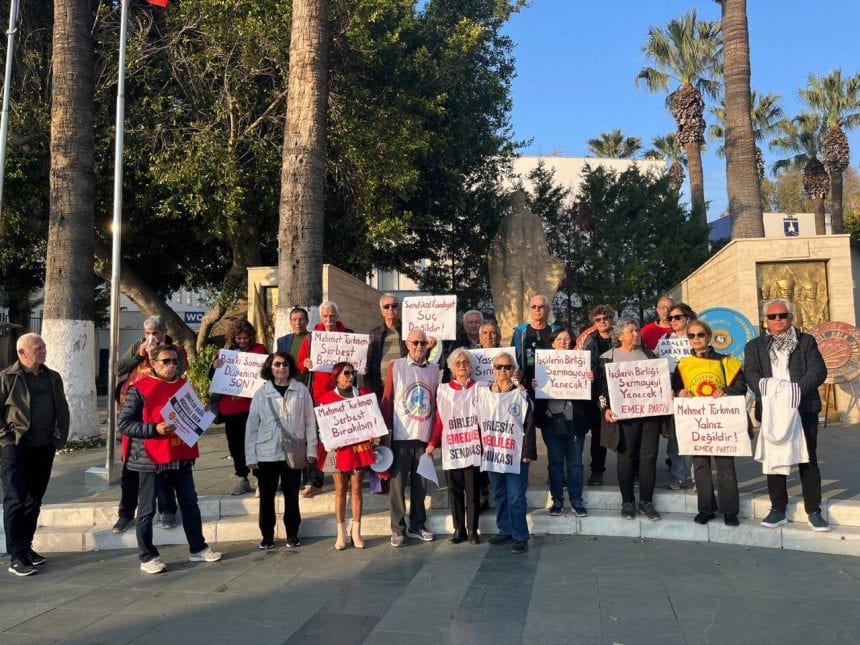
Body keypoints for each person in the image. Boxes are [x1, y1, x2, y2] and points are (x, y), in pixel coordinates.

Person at [118, 344, 222, 574]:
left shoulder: (184, 386)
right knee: (146, 510)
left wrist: (201, 416)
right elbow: (124, 424)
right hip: (149, 458)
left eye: (175, 361)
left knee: (189, 504)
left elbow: (191, 421)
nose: (172, 366)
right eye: (166, 361)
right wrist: (155, 428)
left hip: (180, 456)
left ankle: (198, 548)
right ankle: (147, 557)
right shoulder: (140, 389)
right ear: (153, 363)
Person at [744, 299, 829, 532]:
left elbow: (818, 370)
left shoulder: (806, 342)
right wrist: (768, 388)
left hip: (802, 408)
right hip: (772, 410)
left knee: (808, 459)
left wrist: (796, 390)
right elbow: (750, 373)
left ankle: (814, 511)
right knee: (775, 460)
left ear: (790, 317)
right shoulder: (755, 346)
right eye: (772, 317)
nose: (778, 320)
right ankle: (778, 509)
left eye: (782, 315)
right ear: (766, 320)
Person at [0, 334, 69, 577]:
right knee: (16, 500)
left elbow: (62, 407)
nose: (43, 350)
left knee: (33, 500)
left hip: (44, 447)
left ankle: (26, 548)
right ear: (22, 353)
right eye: (38, 348)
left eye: (44, 347)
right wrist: (6, 440)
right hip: (16, 448)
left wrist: (59, 438)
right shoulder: (7, 378)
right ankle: (16, 556)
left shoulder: (52, 377)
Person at [672, 320, 747, 526]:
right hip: (697, 422)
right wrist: (680, 392)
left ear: (709, 336)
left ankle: (730, 510)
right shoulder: (683, 364)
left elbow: (741, 386)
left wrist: (727, 391)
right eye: (691, 336)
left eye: (700, 335)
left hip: (721, 422)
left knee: (725, 466)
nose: (696, 339)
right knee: (701, 466)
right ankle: (705, 508)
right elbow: (675, 388)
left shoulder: (726, 361)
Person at [112, 314, 180, 533]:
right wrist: (139, 356)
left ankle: (167, 510)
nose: (151, 338)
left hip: (160, 416)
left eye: (156, 333)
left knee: (164, 468)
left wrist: (161, 360)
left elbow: (177, 374)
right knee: (129, 470)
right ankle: (125, 513)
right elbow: (117, 369)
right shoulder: (137, 347)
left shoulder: (173, 351)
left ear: (164, 332)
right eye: (148, 334)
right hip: (135, 412)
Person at [245, 351, 317, 549]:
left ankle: (292, 533)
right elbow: (251, 426)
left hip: (292, 452)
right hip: (266, 452)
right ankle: (267, 535)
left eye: (285, 364)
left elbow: (310, 421)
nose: (281, 368)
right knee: (266, 497)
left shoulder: (300, 390)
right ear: (270, 367)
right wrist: (250, 456)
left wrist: (312, 449)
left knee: (291, 495)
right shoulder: (261, 393)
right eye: (277, 364)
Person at [598, 319, 662, 521]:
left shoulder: (649, 354)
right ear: (619, 335)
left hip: (649, 415)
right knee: (626, 458)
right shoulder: (607, 358)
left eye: (637, 330)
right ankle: (627, 502)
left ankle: (646, 502)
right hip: (624, 418)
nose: (636, 334)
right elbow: (600, 390)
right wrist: (604, 408)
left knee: (648, 458)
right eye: (631, 331)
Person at [382, 329, 438, 546]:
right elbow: (387, 398)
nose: (419, 347)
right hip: (401, 434)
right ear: (407, 343)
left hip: (423, 436)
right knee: (397, 485)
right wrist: (386, 432)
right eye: (415, 342)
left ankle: (417, 524)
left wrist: (434, 438)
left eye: (423, 343)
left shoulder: (434, 369)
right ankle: (397, 529)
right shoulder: (397, 366)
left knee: (420, 484)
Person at [478, 351, 536, 554]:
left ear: (514, 370)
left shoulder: (520, 395)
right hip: (493, 453)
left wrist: (527, 451)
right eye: (499, 367)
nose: (503, 371)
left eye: (507, 367)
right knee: (500, 494)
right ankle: (505, 529)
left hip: (515, 454)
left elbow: (529, 425)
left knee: (516, 497)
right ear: (492, 369)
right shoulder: (484, 394)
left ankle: (520, 535)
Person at [427, 349, 484, 545]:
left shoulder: (481, 388)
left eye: (465, 362)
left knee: (473, 490)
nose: (462, 366)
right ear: (451, 368)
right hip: (452, 447)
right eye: (458, 363)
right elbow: (439, 419)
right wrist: (433, 442)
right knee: (454, 490)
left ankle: (473, 529)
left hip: (473, 447)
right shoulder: (443, 390)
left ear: (471, 366)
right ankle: (459, 528)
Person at [297, 301, 353, 496]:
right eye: (325, 316)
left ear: (337, 316)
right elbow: (301, 366)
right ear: (320, 317)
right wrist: (305, 362)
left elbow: (358, 363)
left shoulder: (349, 335)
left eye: (332, 316)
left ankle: (346, 476)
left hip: (344, 396)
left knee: (345, 437)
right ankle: (314, 480)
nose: (329, 320)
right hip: (319, 396)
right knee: (316, 438)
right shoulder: (312, 339)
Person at [534, 328, 592, 518]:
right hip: (552, 420)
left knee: (575, 463)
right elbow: (532, 391)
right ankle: (557, 499)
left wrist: (590, 379)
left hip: (576, 420)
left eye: (567, 339)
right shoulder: (543, 364)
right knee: (555, 462)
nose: (563, 342)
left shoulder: (581, 363)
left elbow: (588, 396)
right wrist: (534, 383)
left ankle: (576, 500)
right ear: (552, 342)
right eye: (559, 339)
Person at [317, 362, 374, 550]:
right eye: (346, 373)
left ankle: (356, 532)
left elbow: (372, 419)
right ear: (336, 376)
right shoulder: (326, 399)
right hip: (338, 449)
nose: (350, 376)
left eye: (352, 373)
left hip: (358, 448)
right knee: (341, 490)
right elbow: (323, 428)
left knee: (357, 490)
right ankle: (341, 533)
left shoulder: (363, 395)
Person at [212, 320, 267, 496]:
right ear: (233, 337)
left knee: (256, 444)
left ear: (251, 336)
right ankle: (242, 478)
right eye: (239, 338)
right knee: (235, 445)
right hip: (231, 408)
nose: (243, 341)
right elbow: (213, 378)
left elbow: (265, 376)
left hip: (253, 407)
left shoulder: (260, 350)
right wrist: (214, 366)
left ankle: (260, 478)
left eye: (246, 337)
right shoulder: (225, 354)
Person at [662, 303, 696, 490]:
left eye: (677, 317)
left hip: (695, 394)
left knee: (693, 435)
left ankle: (692, 476)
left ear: (688, 318)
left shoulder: (696, 337)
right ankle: (677, 476)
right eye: (670, 318)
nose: (673, 321)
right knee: (674, 438)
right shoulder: (665, 339)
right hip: (673, 395)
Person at [580, 305, 615, 486]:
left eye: (605, 318)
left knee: (628, 432)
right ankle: (597, 471)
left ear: (611, 319)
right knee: (598, 434)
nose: (602, 322)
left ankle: (633, 471)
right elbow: (581, 365)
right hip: (596, 393)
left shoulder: (620, 338)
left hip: (619, 391)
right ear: (593, 323)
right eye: (598, 320)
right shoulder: (589, 341)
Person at [365, 293, 407, 400]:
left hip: (405, 386)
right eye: (386, 306)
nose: (390, 309)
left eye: (394, 305)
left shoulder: (408, 332)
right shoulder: (374, 334)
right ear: (381, 311)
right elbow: (367, 363)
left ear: (399, 308)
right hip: (381, 389)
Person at [275, 307, 310, 385]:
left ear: (307, 321)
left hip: (307, 383)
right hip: (287, 383)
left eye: (301, 319)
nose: (298, 323)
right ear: (290, 322)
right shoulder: (282, 341)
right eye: (294, 319)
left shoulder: (314, 339)